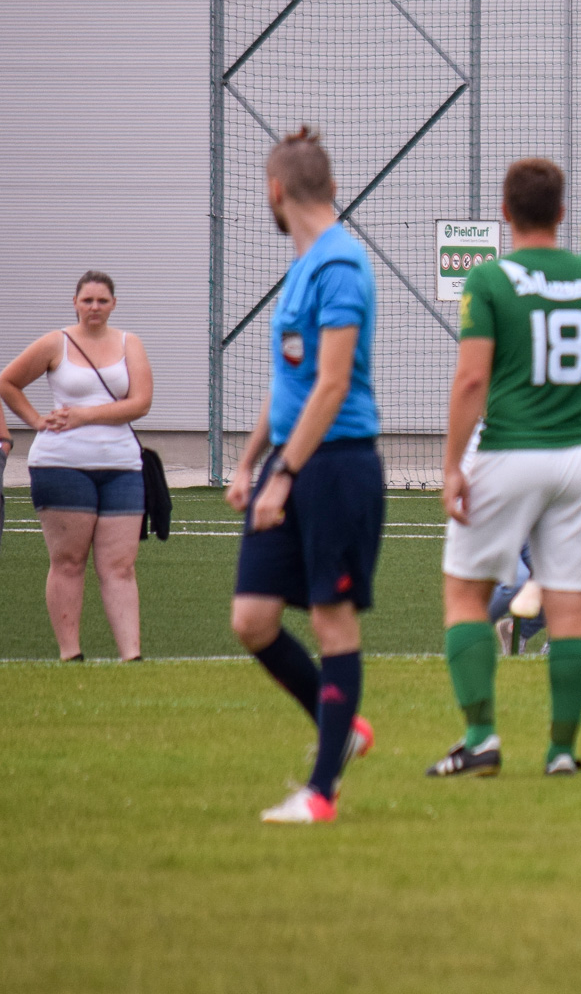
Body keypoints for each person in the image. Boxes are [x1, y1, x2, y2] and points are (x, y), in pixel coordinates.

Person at [430, 158, 581, 779]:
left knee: (465, 594)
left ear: (505, 212)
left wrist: (452, 465)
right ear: (563, 214)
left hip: (510, 451)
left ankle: (480, 738)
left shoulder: (489, 279)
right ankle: (561, 750)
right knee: (569, 604)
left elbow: (471, 380)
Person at [225, 128, 383, 824]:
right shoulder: (302, 266)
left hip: (336, 465)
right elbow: (290, 383)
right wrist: (250, 461)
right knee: (253, 620)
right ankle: (341, 724)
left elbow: (333, 384)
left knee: (330, 619)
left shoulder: (340, 264)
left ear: (276, 190)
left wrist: (283, 473)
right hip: (291, 460)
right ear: (333, 187)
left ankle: (321, 794)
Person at [0, 271, 152, 661]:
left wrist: (85, 415)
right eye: (87, 300)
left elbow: (140, 403)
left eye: (102, 301)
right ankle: (71, 654)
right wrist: (35, 420)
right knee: (69, 562)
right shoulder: (57, 342)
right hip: (61, 464)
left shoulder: (129, 343)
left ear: (114, 304)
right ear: (75, 303)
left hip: (122, 465)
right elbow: (8, 382)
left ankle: (132, 656)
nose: (94, 307)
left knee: (120, 566)